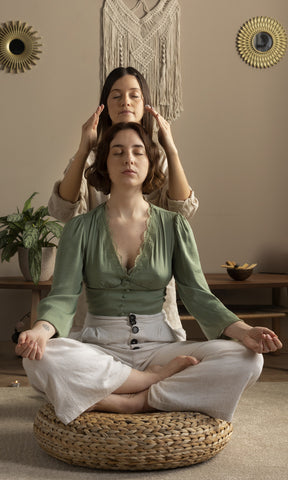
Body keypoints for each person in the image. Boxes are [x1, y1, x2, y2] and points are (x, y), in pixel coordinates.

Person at [17, 122, 282, 425]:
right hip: (99, 346)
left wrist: (245, 331)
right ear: (105, 163)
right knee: (38, 360)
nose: (128, 159)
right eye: (117, 152)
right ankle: (149, 382)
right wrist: (40, 332)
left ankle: (133, 400)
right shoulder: (79, 228)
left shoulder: (174, 225)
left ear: (150, 163)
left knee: (248, 360)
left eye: (137, 152)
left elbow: (198, 296)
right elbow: (63, 296)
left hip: (160, 348)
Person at [48, 66, 199, 338]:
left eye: (134, 95)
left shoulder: (159, 157)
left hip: (153, 287)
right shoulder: (90, 159)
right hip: (99, 289)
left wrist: (170, 148)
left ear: (145, 104)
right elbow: (62, 209)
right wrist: (84, 149)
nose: (125, 102)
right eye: (116, 96)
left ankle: (140, 375)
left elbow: (181, 211)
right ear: (105, 106)